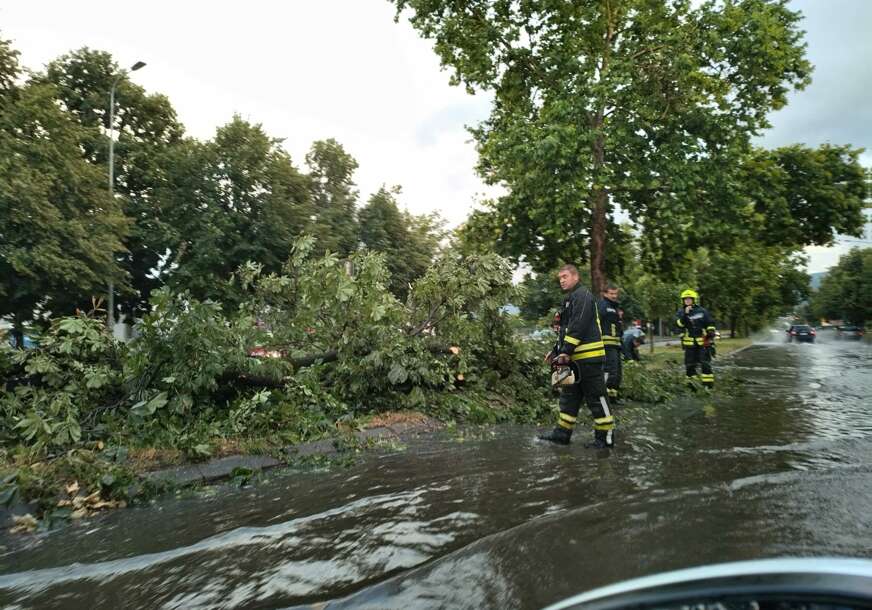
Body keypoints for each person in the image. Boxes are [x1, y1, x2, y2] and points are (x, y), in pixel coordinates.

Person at [538, 264, 615, 448]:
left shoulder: (583, 296)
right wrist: (556, 351)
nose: (562, 280)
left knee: (597, 398)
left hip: (589, 360)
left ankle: (605, 438)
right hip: (571, 360)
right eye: (560, 278)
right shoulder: (569, 300)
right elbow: (565, 331)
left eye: (565, 276)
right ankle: (562, 434)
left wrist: (564, 351)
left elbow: (578, 326)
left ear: (575, 277)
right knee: (568, 397)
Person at [674, 289, 716, 388]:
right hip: (689, 345)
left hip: (703, 343)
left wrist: (710, 331)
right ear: (683, 300)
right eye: (685, 299)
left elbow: (710, 322)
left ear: (694, 300)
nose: (687, 301)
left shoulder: (702, 311)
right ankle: (692, 386)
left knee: (705, 364)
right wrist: (685, 314)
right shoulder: (680, 312)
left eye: (689, 299)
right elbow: (679, 325)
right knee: (690, 366)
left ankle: (708, 386)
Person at [598, 283, 623, 402]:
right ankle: (603, 397)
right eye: (611, 293)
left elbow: (618, 328)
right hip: (606, 345)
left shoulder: (615, 308)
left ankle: (613, 397)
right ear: (605, 294)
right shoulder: (602, 305)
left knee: (617, 373)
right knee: (609, 371)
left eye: (615, 293)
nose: (614, 296)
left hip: (616, 345)